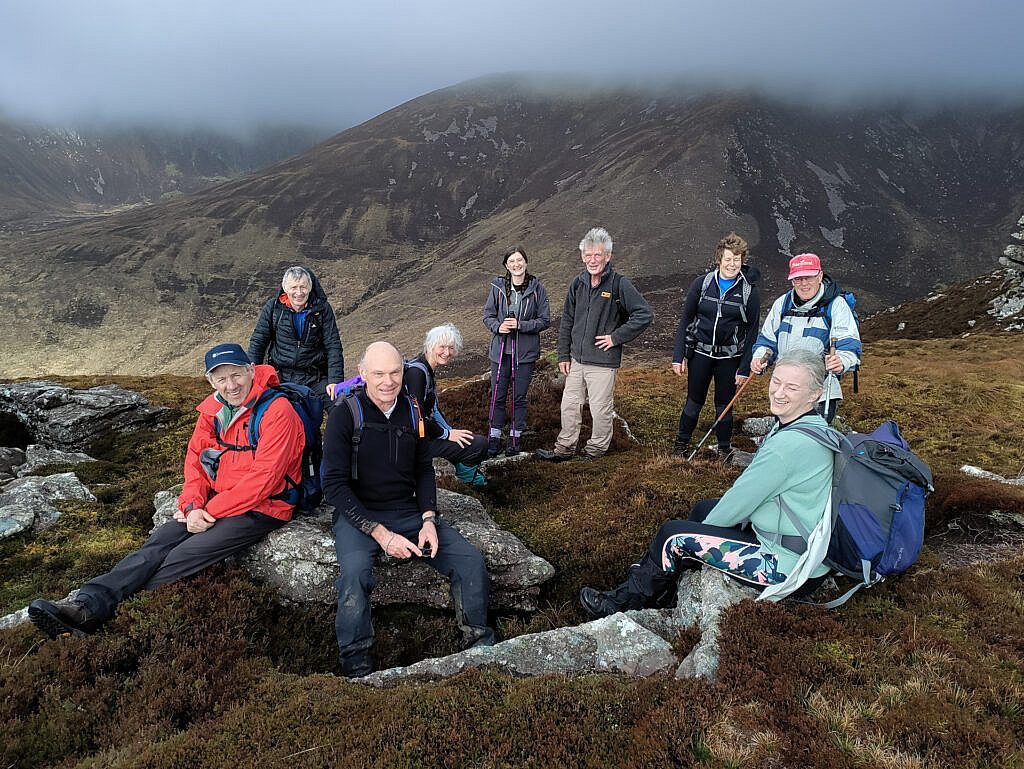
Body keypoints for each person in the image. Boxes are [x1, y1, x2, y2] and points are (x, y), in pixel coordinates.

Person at [28, 344, 304, 638]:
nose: (231, 385)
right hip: (213, 503)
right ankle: (86, 605)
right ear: (210, 381)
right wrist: (191, 505)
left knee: (183, 555)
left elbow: (264, 479)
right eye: (221, 379)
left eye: (236, 375)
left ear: (250, 371)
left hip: (264, 507)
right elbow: (197, 464)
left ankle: (112, 623)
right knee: (155, 545)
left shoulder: (278, 411)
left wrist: (208, 512)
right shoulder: (213, 411)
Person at [579, 349, 837, 618]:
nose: (779, 392)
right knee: (703, 509)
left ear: (815, 394)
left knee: (672, 536)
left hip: (784, 565)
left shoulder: (788, 446)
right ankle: (668, 583)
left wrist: (698, 536)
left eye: (792, 387)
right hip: (797, 543)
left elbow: (740, 499)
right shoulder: (813, 426)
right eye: (776, 381)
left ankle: (626, 601)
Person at [323, 341, 496, 677]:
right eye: (378, 374)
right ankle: (357, 667)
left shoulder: (413, 409)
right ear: (362, 375)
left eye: (395, 373)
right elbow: (333, 485)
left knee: (470, 561)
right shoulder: (345, 414)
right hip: (359, 514)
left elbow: (422, 469)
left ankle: (480, 647)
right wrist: (381, 534)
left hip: (407, 510)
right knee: (355, 575)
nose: (388, 381)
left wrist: (429, 519)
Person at [536, 227, 653, 462]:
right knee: (569, 405)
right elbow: (567, 320)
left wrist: (615, 337)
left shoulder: (619, 284)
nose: (592, 260)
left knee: (600, 409)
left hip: (602, 361)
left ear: (608, 256)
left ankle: (595, 452)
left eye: (597, 255)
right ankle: (564, 449)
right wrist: (563, 355)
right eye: (588, 255)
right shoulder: (577, 284)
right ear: (582, 257)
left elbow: (644, 314)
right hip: (576, 360)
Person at [671, 233, 761, 458]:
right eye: (728, 259)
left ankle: (724, 449)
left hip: (729, 359)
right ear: (719, 259)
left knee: (724, 406)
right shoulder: (702, 284)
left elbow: (752, 332)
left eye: (737, 260)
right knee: (694, 402)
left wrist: (744, 367)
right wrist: (679, 355)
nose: (732, 264)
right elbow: (686, 319)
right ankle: (680, 446)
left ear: (742, 260)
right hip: (700, 354)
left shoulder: (749, 291)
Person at [749, 253, 861, 423]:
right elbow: (767, 341)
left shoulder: (836, 305)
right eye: (798, 279)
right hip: (785, 391)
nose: (803, 283)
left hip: (820, 392)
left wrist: (842, 361)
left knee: (814, 435)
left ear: (820, 276)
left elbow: (848, 343)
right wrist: (759, 358)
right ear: (792, 281)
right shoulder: (782, 304)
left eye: (809, 277)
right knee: (786, 432)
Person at [482, 247, 551, 457]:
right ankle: (494, 438)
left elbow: (544, 320)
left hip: (524, 354)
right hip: (500, 352)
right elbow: (488, 315)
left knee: (519, 398)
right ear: (506, 265)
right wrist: (498, 327)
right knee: (498, 396)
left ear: (526, 262)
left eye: (519, 260)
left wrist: (521, 325)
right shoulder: (498, 287)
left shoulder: (537, 289)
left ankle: (515, 438)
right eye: (511, 261)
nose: (516, 264)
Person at [404, 323, 490, 487]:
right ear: (430, 345)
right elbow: (417, 417)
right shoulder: (417, 374)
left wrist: (450, 431)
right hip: (415, 444)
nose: (447, 352)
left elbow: (434, 410)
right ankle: (467, 478)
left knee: (470, 440)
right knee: (479, 445)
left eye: (450, 348)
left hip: (423, 437)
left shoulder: (426, 369)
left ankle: (463, 470)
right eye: (442, 347)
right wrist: (446, 434)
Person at [248, 265, 345, 408]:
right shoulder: (273, 308)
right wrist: (251, 377)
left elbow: (333, 345)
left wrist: (335, 381)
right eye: (294, 287)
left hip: (314, 377)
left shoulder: (322, 309)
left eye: (303, 287)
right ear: (285, 289)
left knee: (340, 406)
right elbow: (258, 341)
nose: (299, 292)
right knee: (271, 410)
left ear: (310, 288)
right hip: (280, 377)